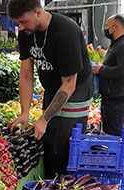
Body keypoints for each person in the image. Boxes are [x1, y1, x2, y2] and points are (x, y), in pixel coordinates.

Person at [7, 0, 93, 178]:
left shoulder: (66, 31)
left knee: (63, 147)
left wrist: (44, 119)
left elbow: (70, 83)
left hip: (76, 93)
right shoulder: (26, 33)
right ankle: (50, 188)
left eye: (23, 21)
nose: (20, 28)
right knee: (48, 145)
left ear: (38, 12)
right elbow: (26, 74)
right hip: (53, 89)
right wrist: (24, 113)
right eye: (18, 23)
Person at [93, 15, 124, 136]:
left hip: (117, 97)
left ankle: (116, 154)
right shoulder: (117, 43)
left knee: (113, 133)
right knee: (108, 131)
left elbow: (122, 71)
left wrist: (101, 69)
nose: (106, 30)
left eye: (107, 26)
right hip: (110, 95)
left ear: (115, 27)